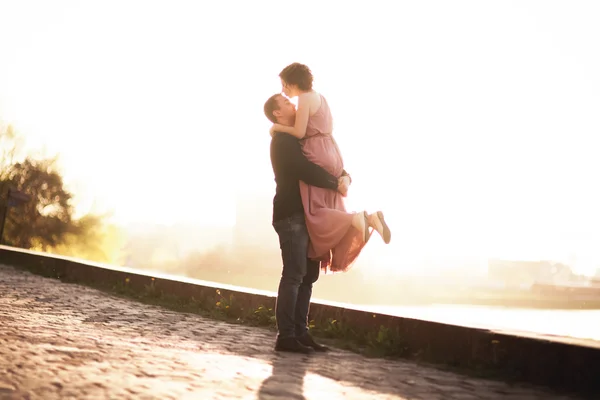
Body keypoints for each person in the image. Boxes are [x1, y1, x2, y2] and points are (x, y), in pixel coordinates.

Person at [269, 62, 391, 273]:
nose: (284, 90)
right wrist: (343, 177)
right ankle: (369, 219)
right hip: (332, 151)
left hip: (317, 152)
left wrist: (275, 127)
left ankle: (356, 218)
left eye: (284, 85)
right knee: (332, 207)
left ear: (293, 81)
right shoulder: (320, 98)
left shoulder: (304, 99)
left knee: (315, 211)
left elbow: (299, 133)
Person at [264, 93, 350, 353]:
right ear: (278, 114)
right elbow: (304, 168)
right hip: (291, 215)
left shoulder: (301, 138)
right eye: (287, 103)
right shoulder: (283, 141)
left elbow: (323, 160)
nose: (293, 103)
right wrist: (335, 183)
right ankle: (286, 336)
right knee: (294, 273)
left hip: (310, 214)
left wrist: (345, 175)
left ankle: (301, 333)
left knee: (309, 275)